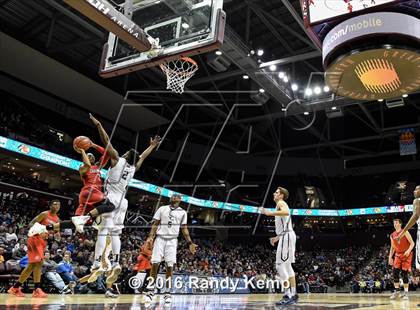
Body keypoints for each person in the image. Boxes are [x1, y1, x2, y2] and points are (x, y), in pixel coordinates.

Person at [73, 113, 161, 289]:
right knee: (115, 234)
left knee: (103, 232)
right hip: (123, 201)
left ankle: (97, 262)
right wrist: (151, 147)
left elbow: (106, 141)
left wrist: (98, 125)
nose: (125, 152)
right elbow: (142, 156)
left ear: (127, 156)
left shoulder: (116, 160)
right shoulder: (133, 167)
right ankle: (115, 262)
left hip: (111, 198)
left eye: (127, 152)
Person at [143, 194, 198, 304]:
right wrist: (150, 236)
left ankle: (167, 292)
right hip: (160, 239)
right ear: (171, 199)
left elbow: (184, 229)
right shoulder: (162, 208)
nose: (174, 197)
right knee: (155, 264)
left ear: (180, 200)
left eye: (177, 196)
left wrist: (190, 242)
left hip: (172, 240)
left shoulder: (183, 212)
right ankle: (150, 290)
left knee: (170, 266)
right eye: (173, 196)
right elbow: (155, 224)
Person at [260, 187, 298, 306]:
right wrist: (276, 238)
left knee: (279, 265)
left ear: (281, 195)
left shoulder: (281, 203)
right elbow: (286, 224)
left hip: (287, 237)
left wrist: (268, 212)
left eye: (276, 192)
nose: (274, 193)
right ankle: (293, 293)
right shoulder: (281, 203)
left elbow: (286, 212)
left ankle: (288, 295)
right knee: (287, 266)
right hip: (286, 235)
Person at [8, 223, 49, 297]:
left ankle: (15, 288)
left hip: (38, 239)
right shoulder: (44, 215)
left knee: (31, 267)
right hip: (35, 239)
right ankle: (36, 289)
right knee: (38, 263)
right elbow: (32, 223)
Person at [74, 141, 109, 217]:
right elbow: (88, 165)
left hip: (92, 195)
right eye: (89, 156)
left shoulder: (97, 166)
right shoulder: (82, 168)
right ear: (84, 158)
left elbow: (107, 153)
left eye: (93, 156)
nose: (92, 157)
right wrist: (83, 151)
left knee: (80, 220)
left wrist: (93, 145)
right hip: (90, 190)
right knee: (109, 204)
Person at [389, 218, 414, 299]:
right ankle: (397, 291)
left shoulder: (405, 231)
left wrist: (408, 250)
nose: (395, 224)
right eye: (394, 223)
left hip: (407, 254)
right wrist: (390, 257)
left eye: (396, 223)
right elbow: (392, 248)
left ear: (400, 224)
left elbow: (412, 243)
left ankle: (406, 293)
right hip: (398, 255)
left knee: (404, 274)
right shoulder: (392, 235)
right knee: (395, 273)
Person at [397, 185, 420, 270]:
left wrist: (402, 232)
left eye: (416, 190)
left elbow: (415, 216)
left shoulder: (417, 200)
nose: (414, 191)